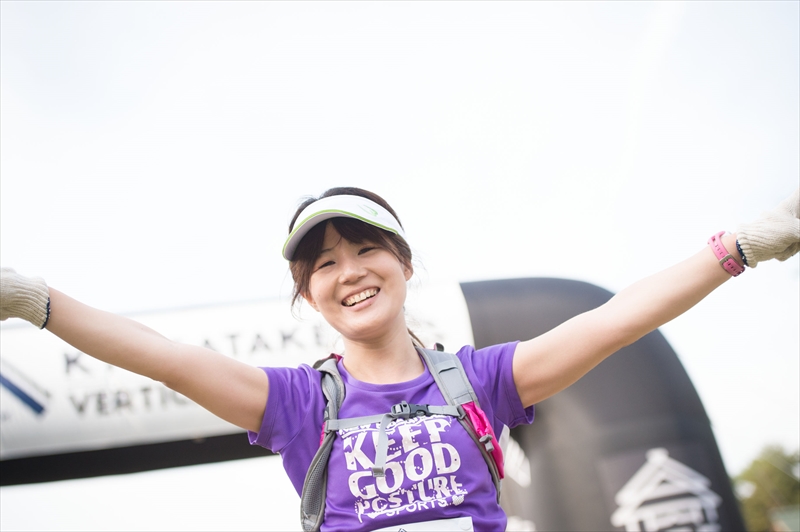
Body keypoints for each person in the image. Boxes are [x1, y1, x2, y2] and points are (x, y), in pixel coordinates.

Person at [1, 186, 798, 532]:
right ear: (309, 295)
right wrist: (35, 299)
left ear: (405, 264)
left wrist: (740, 248)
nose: (348, 271)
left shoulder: (484, 379)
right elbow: (163, 358)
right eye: (323, 263)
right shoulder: (297, 404)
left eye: (365, 249)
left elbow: (615, 322)